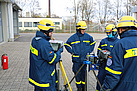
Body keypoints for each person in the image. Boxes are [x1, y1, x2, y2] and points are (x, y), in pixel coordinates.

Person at [101, 16, 137, 91]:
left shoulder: (120, 44)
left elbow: (113, 74)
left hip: (124, 87)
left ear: (120, 30)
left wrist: (106, 88)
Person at [29, 19, 63, 91]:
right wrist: (59, 52)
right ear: (46, 31)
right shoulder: (44, 44)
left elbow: (41, 53)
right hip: (45, 78)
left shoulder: (35, 40)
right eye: (51, 31)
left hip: (37, 77)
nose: (52, 33)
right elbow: (52, 59)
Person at [64, 21, 96, 91]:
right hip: (77, 61)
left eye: (84, 29)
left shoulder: (88, 37)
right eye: (82, 29)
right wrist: (72, 52)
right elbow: (66, 44)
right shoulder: (73, 37)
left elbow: (93, 42)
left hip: (85, 60)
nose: (84, 31)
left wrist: (89, 50)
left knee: (84, 75)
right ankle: (79, 88)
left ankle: (84, 88)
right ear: (78, 29)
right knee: (77, 76)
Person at [96, 24, 119, 91]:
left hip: (112, 67)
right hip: (103, 65)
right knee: (100, 79)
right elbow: (99, 51)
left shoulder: (118, 42)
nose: (108, 34)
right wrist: (101, 55)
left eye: (109, 33)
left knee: (110, 82)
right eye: (107, 33)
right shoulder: (103, 41)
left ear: (114, 32)